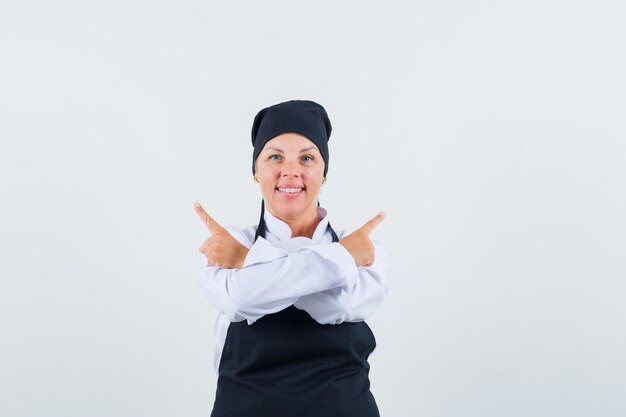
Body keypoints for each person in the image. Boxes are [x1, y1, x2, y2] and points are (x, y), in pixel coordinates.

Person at [194, 100, 389, 417]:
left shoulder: (368, 249)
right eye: (274, 157)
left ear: (324, 172)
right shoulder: (228, 243)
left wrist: (248, 262)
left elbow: (339, 305)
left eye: (307, 158)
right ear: (256, 171)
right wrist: (340, 259)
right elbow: (240, 300)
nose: (290, 171)